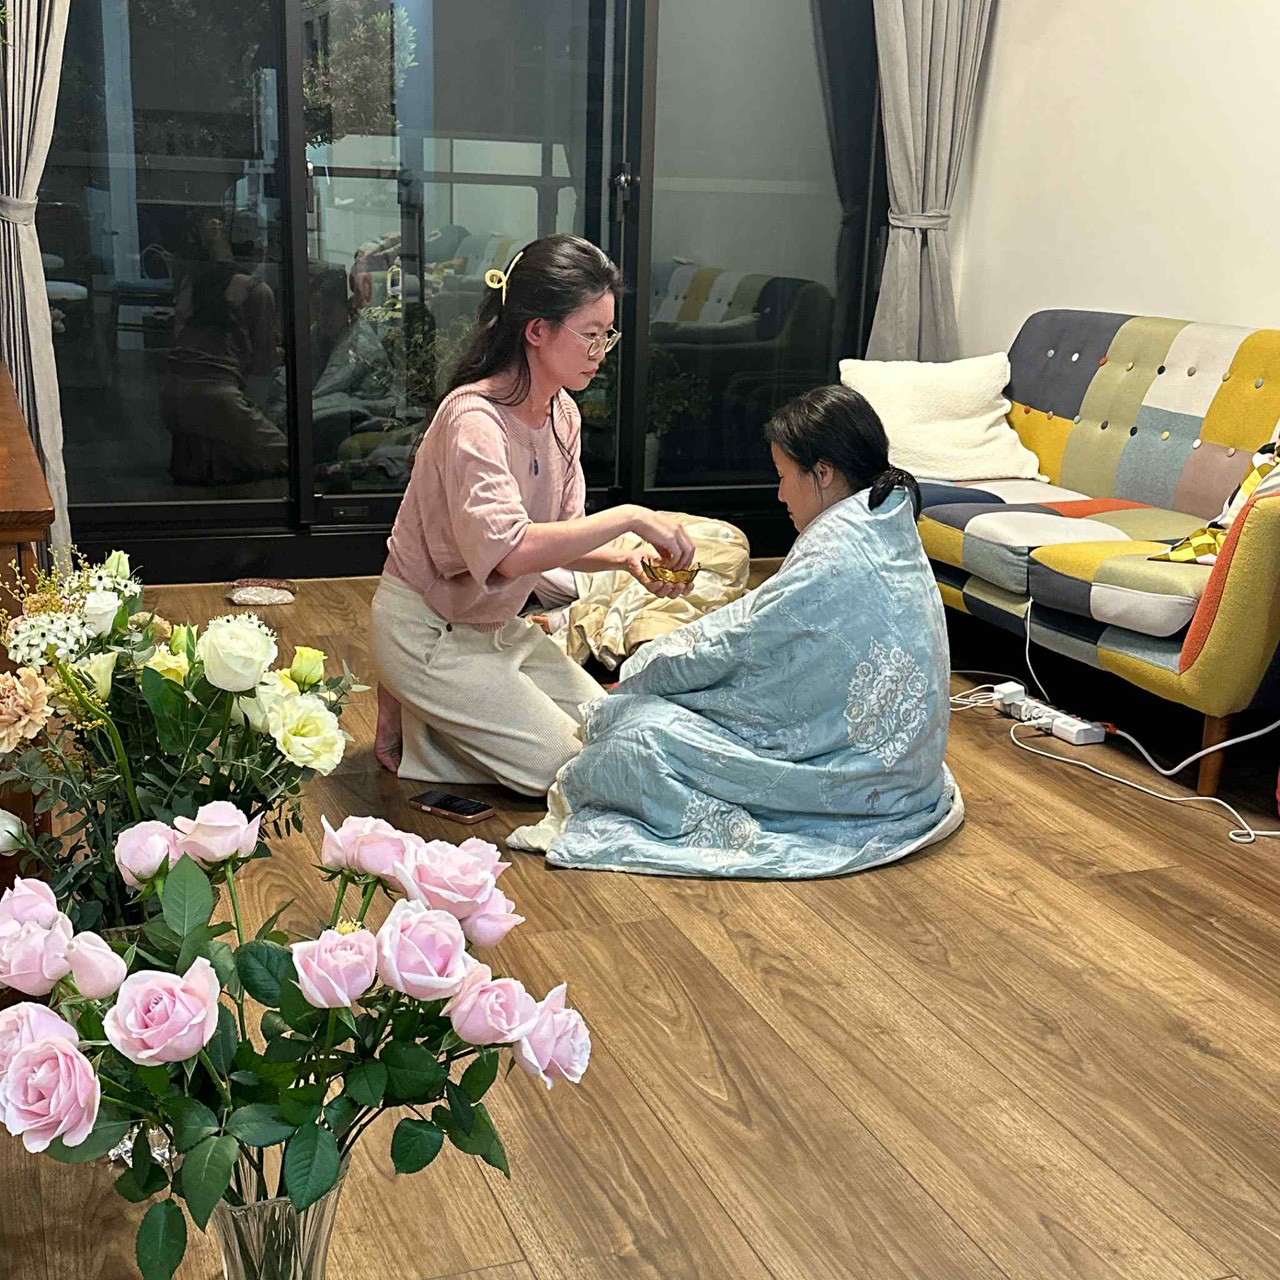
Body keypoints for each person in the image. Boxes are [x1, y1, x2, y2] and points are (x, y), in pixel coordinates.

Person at [509, 383, 964, 877]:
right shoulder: (881, 519)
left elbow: (740, 642)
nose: (779, 493)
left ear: (823, 473)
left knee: (634, 739)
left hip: (864, 775)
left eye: (783, 477)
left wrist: (646, 668)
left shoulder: (837, 552)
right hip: (908, 770)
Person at [371, 234, 697, 796]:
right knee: (567, 768)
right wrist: (629, 517)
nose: (601, 351)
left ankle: (438, 718)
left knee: (612, 730)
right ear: (537, 330)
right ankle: (419, 707)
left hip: (497, 629)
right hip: (427, 631)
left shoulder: (562, 414)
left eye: (608, 334)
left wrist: (626, 558)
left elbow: (559, 538)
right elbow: (510, 552)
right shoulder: (473, 419)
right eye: (590, 334)